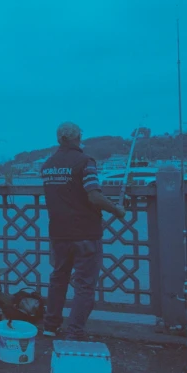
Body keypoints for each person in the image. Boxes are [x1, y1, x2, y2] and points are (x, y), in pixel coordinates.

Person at [41, 122, 126, 340]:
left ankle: (50, 326)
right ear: (77, 138)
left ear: (59, 139)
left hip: (58, 233)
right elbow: (94, 196)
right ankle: (75, 331)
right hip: (85, 233)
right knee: (84, 285)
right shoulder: (85, 162)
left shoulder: (48, 165)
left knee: (58, 278)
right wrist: (117, 210)